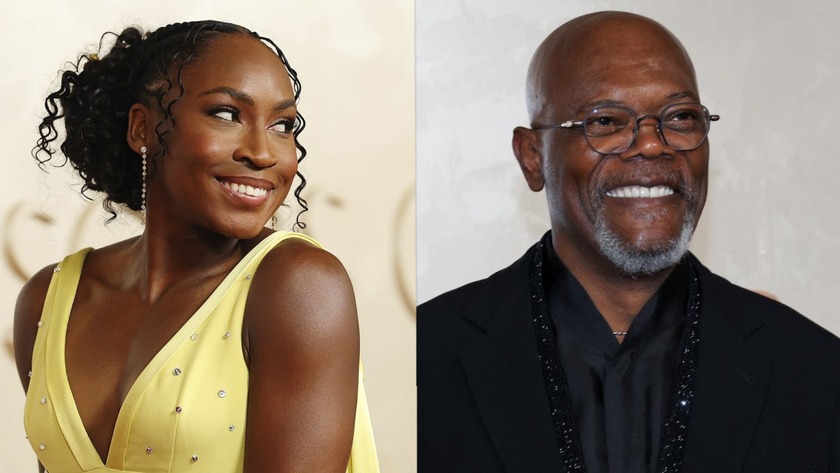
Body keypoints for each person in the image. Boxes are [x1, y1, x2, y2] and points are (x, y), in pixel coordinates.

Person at [417, 11, 840, 473]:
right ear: (533, 158)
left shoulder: (813, 371)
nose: (653, 145)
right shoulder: (422, 360)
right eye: (605, 122)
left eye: (679, 117)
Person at [14, 21, 379, 473]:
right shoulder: (47, 300)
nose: (263, 153)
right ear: (142, 128)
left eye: (284, 125)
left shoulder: (298, 286)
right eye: (227, 114)